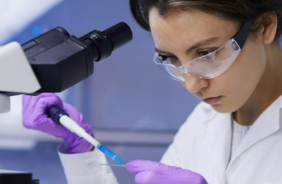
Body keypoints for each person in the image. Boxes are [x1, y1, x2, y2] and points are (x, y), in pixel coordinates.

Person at [22, 0, 282, 183]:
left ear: (266, 26)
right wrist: (82, 153)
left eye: (206, 53)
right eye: (171, 58)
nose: (191, 85)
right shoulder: (203, 124)